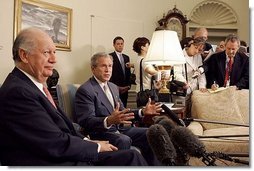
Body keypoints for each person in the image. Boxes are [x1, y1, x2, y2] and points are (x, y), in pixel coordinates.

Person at [0, 28, 148, 166]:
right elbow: (53, 141)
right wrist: (95, 146)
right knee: (131, 158)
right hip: (53, 161)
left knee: (136, 151)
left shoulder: (33, 87)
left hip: (67, 149)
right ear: (24, 55)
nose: (54, 59)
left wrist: (141, 112)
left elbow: (64, 127)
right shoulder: (18, 92)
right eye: (46, 52)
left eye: (54, 52)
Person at [74, 52, 162, 166]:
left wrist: (142, 111)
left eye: (110, 66)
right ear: (93, 69)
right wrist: (109, 120)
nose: (107, 70)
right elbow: (86, 121)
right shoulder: (86, 90)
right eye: (103, 66)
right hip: (101, 133)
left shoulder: (113, 87)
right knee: (123, 139)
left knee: (153, 132)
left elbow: (123, 112)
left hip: (120, 129)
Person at [174, 37, 207, 117]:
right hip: (183, 90)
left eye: (199, 50)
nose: (196, 51)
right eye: (195, 48)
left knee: (192, 115)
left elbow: (201, 73)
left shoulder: (198, 56)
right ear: (189, 45)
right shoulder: (179, 55)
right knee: (181, 115)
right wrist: (183, 82)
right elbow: (177, 73)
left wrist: (202, 86)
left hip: (194, 90)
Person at [132, 37, 160, 107]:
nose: (150, 47)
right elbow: (151, 71)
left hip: (139, 91)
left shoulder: (137, 59)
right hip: (146, 92)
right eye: (148, 45)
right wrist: (159, 70)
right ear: (142, 47)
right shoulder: (144, 61)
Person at [109, 36, 131, 107]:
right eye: (118, 44)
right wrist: (114, 87)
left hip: (125, 88)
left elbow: (128, 73)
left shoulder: (126, 57)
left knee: (124, 107)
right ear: (114, 45)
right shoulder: (110, 56)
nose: (120, 46)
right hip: (114, 87)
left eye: (122, 44)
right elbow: (109, 73)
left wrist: (128, 86)